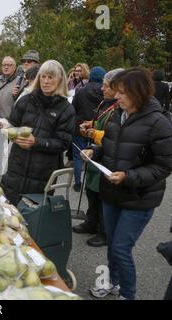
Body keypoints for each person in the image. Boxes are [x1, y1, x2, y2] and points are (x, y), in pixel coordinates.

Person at [82, 68, 172, 300]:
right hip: (112, 192)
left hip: (139, 197)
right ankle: (112, 282)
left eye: (122, 93)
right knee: (113, 244)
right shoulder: (117, 115)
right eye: (117, 91)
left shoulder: (158, 123)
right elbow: (111, 146)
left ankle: (128, 295)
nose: (117, 96)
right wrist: (95, 151)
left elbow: (163, 167)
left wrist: (128, 177)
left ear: (138, 93)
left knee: (121, 248)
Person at [0, 60, 75, 205]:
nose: (45, 81)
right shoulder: (25, 100)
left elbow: (63, 143)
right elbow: (12, 124)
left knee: (32, 217)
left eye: (50, 77)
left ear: (60, 80)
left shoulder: (66, 109)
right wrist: (10, 132)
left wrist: (36, 142)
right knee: (9, 214)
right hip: (17, 165)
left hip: (42, 172)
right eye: (43, 77)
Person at [73, 68, 124, 247]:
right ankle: (91, 222)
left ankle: (104, 232)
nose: (102, 88)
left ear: (117, 87)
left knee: (102, 195)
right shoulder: (105, 103)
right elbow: (101, 122)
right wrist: (91, 124)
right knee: (91, 191)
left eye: (106, 86)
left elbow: (115, 135)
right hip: (96, 154)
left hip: (107, 157)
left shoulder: (119, 107)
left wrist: (93, 133)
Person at [71, 66, 106, 192]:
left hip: (80, 126)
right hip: (97, 126)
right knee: (94, 155)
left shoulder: (81, 91)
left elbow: (73, 108)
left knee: (78, 156)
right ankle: (90, 184)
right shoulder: (105, 92)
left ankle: (78, 183)